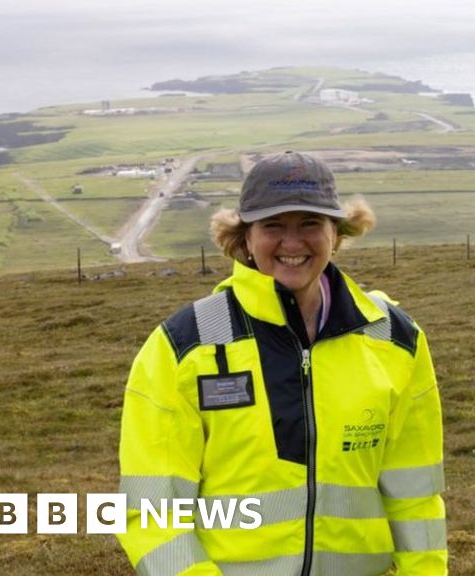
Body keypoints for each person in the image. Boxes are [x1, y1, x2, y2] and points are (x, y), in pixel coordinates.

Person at [117, 151, 447, 575]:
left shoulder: (396, 339)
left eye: (310, 223)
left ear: (336, 231)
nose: (292, 243)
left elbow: (416, 500)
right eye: (273, 225)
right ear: (244, 237)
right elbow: (151, 513)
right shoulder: (184, 346)